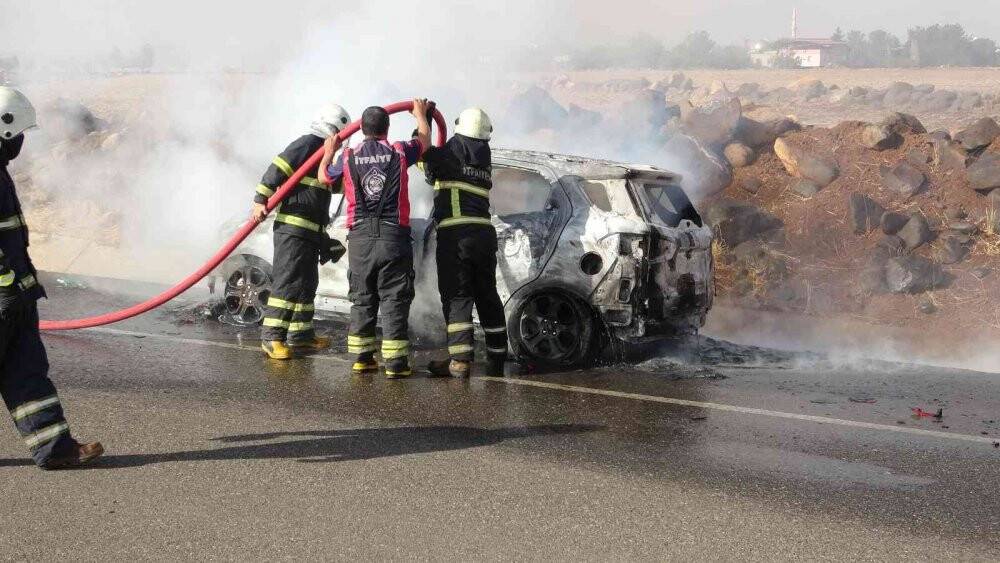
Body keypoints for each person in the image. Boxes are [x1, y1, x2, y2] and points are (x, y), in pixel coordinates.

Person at [0, 87, 103, 469]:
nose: (22, 143)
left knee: (28, 375)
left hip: (17, 296)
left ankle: (55, 448)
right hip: (5, 295)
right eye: (19, 134)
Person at [320, 99, 431, 379]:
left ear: (361, 129)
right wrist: (419, 115)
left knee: (362, 297)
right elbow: (426, 142)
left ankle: (362, 358)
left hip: (359, 238)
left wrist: (328, 151)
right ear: (387, 128)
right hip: (393, 235)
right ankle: (395, 364)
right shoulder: (399, 151)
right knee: (394, 297)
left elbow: (323, 176)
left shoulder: (348, 157)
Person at [252, 103, 351, 360]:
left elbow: (335, 185)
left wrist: (344, 162)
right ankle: (272, 338)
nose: (341, 141)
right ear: (331, 129)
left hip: (312, 231)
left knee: (307, 284)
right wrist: (260, 198)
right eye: (341, 135)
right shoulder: (307, 144)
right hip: (293, 229)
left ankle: (301, 336)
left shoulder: (324, 153)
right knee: (287, 283)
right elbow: (278, 168)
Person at [419, 108, 508, 378]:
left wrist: (421, 118)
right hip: (484, 234)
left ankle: (460, 361)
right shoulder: (483, 155)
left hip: (457, 236)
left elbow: (423, 154)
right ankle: (496, 359)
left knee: (457, 295)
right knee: (487, 295)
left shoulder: (451, 152)